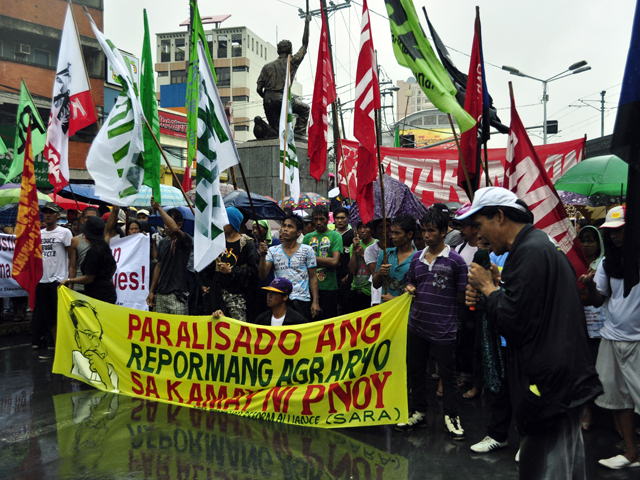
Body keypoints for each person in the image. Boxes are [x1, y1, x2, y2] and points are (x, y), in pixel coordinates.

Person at [463, 187, 602, 478]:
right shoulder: (536, 246)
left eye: (479, 225)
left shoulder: (529, 251)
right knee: (562, 465)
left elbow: (515, 323)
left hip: (549, 385)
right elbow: (530, 307)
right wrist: (499, 287)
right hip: (557, 380)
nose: (477, 236)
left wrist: (489, 289)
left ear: (499, 217)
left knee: (548, 469)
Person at [396, 209, 467, 440]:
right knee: (417, 372)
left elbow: (461, 296)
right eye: (423, 230)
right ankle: (418, 412)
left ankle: (452, 417)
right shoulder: (416, 258)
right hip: (417, 326)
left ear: (444, 231)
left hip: (444, 329)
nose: (426, 235)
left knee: (448, 376)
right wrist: (409, 289)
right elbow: (411, 283)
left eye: (431, 230)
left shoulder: (456, 261)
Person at [580, 206, 640, 469]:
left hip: (637, 341)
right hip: (611, 338)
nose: (613, 236)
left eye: (619, 230)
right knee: (617, 397)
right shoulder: (607, 263)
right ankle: (631, 453)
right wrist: (590, 284)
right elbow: (598, 300)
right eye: (610, 232)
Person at [256, 10, 310, 136]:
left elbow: (259, 89)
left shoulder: (266, 67)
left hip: (268, 100)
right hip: (283, 99)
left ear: (278, 51)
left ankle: (261, 126)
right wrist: (307, 23)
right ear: (290, 50)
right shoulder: (292, 61)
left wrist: (268, 98)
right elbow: (305, 45)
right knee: (305, 110)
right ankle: (299, 133)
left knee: (276, 131)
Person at [33, 202, 76, 359]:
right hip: (42, 281)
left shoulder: (64, 232)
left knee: (61, 316)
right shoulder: (39, 234)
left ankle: (66, 348)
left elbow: (72, 257)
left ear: (58, 215)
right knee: (49, 317)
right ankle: (58, 350)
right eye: (45, 212)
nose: (48, 215)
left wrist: (69, 279)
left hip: (59, 281)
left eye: (51, 212)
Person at [259, 214, 320, 320]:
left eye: (290, 226)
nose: (285, 229)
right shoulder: (273, 251)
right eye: (284, 226)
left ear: (298, 232)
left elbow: (313, 277)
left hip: (302, 300)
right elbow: (263, 275)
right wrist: (263, 256)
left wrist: (315, 302)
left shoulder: (307, 250)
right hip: (280, 300)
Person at [203, 207, 259, 322]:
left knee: (238, 332)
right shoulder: (218, 243)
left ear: (233, 222)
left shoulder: (247, 244)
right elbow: (209, 272)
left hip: (238, 298)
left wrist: (231, 271)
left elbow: (254, 271)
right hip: (217, 296)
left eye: (224, 220)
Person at [577, 224, 605, 432]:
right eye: (583, 240)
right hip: (579, 324)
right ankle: (587, 411)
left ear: (598, 244)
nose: (586, 244)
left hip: (600, 325)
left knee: (600, 370)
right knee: (583, 368)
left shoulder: (603, 264)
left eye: (590, 240)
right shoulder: (574, 263)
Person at [453, 217, 483, 400]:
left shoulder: (483, 249)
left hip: (479, 303)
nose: (460, 230)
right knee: (462, 340)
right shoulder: (459, 249)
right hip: (461, 302)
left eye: (464, 226)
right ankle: (465, 375)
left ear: (474, 228)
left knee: (477, 343)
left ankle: (478, 380)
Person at [147, 200, 193, 315]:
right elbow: (158, 266)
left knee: (178, 330)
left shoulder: (185, 240)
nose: (166, 227)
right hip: (161, 295)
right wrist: (152, 291)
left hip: (177, 296)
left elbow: (175, 230)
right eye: (165, 223)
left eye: (169, 223)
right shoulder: (163, 242)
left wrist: (159, 208)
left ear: (179, 225)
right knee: (161, 331)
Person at [60, 216, 117, 304]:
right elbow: (114, 266)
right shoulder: (104, 246)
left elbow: (88, 278)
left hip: (97, 296)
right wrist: (104, 279)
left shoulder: (93, 251)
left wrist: (68, 280)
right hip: (108, 292)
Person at [68, 299, 119, 392]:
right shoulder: (72, 360)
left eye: (98, 336)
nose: (97, 345)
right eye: (89, 335)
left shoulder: (109, 366)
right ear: (76, 336)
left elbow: (113, 390)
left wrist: (104, 373)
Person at [303, 205, 342, 319]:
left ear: (327, 219)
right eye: (315, 219)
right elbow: (303, 261)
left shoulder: (335, 236)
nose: (318, 222)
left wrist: (311, 259)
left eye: (321, 219)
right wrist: (326, 261)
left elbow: (335, 261)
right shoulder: (307, 237)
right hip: (309, 287)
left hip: (329, 287)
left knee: (329, 321)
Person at [70, 206, 118, 294]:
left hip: (97, 288)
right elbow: (73, 267)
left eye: (93, 218)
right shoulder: (75, 240)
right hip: (79, 285)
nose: (90, 220)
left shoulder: (104, 237)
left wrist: (103, 279)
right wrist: (70, 286)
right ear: (82, 219)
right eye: (88, 218)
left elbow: (113, 267)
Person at [373, 214, 417, 303]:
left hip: (407, 313)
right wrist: (379, 273)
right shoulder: (386, 254)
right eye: (392, 232)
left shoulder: (418, 258)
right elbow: (376, 285)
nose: (393, 236)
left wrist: (393, 300)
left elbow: (419, 296)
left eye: (397, 233)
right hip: (387, 310)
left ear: (409, 234)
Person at [253, 220, 281, 318]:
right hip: (257, 284)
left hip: (270, 281)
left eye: (258, 228)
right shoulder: (252, 243)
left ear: (265, 230)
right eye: (253, 229)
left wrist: (265, 251)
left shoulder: (275, 243)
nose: (255, 231)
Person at [349, 221, 376, 313]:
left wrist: (363, 255)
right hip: (356, 288)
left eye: (366, 227)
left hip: (370, 291)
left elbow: (376, 270)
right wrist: (354, 250)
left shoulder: (377, 245)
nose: (362, 231)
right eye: (360, 227)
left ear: (371, 229)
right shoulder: (354, 245)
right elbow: (352, 270)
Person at [333, 207, 354, 314]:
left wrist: (348, 275)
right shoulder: (331, 235)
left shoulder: (353, 235)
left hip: (347, 275)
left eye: (343, 218)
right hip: (332, 275)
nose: (340, 221)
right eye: (337, 218)